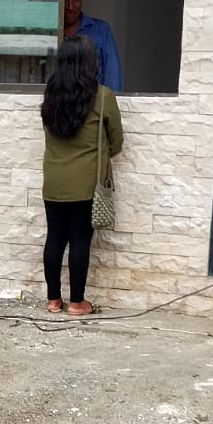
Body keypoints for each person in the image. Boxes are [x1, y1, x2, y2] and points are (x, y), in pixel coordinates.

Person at [40, 34, 123, 316]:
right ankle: (77, 302)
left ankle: (53, 300)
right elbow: (117, 142)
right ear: (89, 62)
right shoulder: (103, 96)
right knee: (79, 240)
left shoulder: (50, 96)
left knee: (54, 238)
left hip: (53, 180)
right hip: (85, 184)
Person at [64, 0, 122, 94]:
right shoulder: (51, 32)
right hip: (59, 103)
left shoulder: (100, 30)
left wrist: (106, 103)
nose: (70, 6)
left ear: (81, 0)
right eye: (65, 0)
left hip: (93, 103)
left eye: (75, 0)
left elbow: (112, 78)